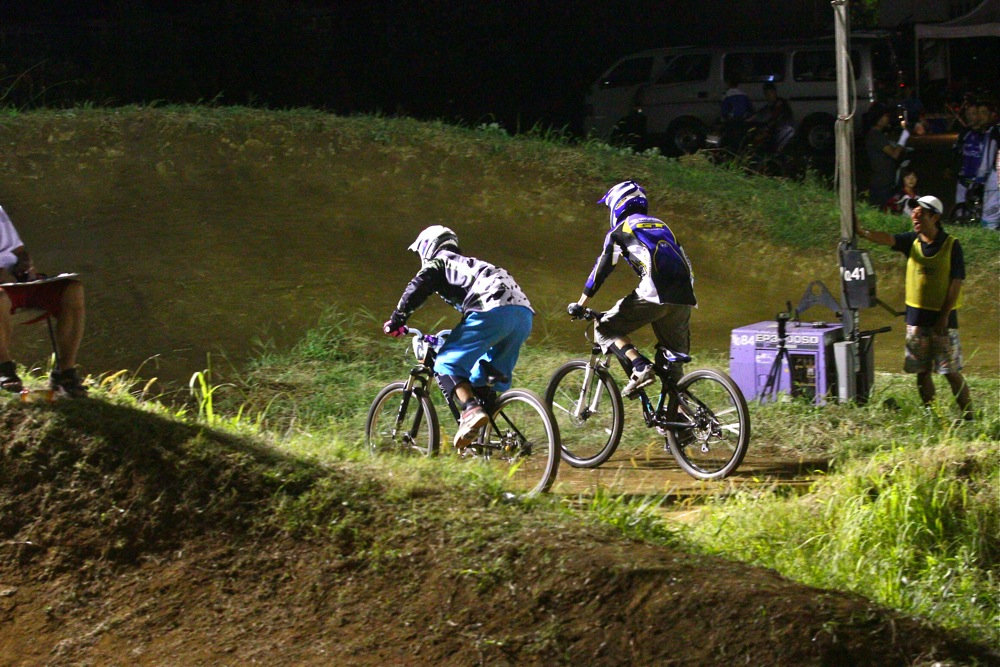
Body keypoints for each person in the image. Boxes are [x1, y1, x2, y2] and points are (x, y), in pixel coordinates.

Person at [383, 226, 534, 448]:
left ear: (428, 247)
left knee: (445, 363)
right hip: (523, 315)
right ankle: (493, 436)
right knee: (480, 379)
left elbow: (418, 286)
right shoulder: (470, 265)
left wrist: (397, 319)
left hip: (491, 310)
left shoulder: (442, 261)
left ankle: (471, 412)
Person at [567, 181, 697, 397]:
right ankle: (683, 422)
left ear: (618, 205)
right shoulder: (662, 226)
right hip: (685, 295)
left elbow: (602, 268)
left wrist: (581, 304)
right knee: (672, 362)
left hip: (655, 293)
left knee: (604, 327)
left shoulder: (621, 230)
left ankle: (639, 366)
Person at [854, 195, 973, 420]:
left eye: (920, 215)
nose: (915, 218)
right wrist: (863, 233)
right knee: (921, 372)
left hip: (942, 320)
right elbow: (888, 239)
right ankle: (932, 416)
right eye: (914, 215)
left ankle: (969, 417)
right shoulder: (912, 241)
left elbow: (956, 283)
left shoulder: (951, 245)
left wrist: (943, 317)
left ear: (935, 217)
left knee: (950, 372)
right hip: (916, 319)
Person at [0, 204, 87, 397]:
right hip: (2, 292)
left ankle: (65, 373)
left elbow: (18, 248)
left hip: (18, 282)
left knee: (73, 289)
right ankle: (4, 370)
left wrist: (25, 262)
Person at [864, 102, 910, 208]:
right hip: (881, 184)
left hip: (884, 181)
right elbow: (894, 154)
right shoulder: (875, 135)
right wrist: (904, 137)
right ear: (878, 118)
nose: (888, 118)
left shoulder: (877, 134)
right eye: (886, 116)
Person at [951, 100, 989, 213]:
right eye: (967, 114)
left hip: (980, 180)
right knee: (960, 210)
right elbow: (957, 151)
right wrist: (950, 167)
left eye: (973, 114)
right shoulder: (965, 133)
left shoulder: (988, 134)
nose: (970, 117)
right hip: (963, 178)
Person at [751, 82, 795, 154]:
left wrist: (766, 130)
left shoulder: (779, 104)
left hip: (784, 130)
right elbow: (761, 113)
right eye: (766, 94)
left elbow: (776, 119)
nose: (768, 96)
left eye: (770, 93)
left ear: (774, 92)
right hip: (779, 129)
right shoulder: (773, 104)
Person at [977, 101, 999, 230]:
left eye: (984, 113)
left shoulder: (994, 131)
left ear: (993, 115)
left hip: (995, 180)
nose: (980, 117)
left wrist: (979, 180)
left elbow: (987, 159)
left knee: (989, 222)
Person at [719, 75, 754, 152]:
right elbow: (750, 109)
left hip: (731, 122)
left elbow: (724, 110)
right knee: (741, 141)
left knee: (731, 142)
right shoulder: (744, 94)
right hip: (742, 121)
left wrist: (723, 120)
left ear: (728, 83)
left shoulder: (726, 95)